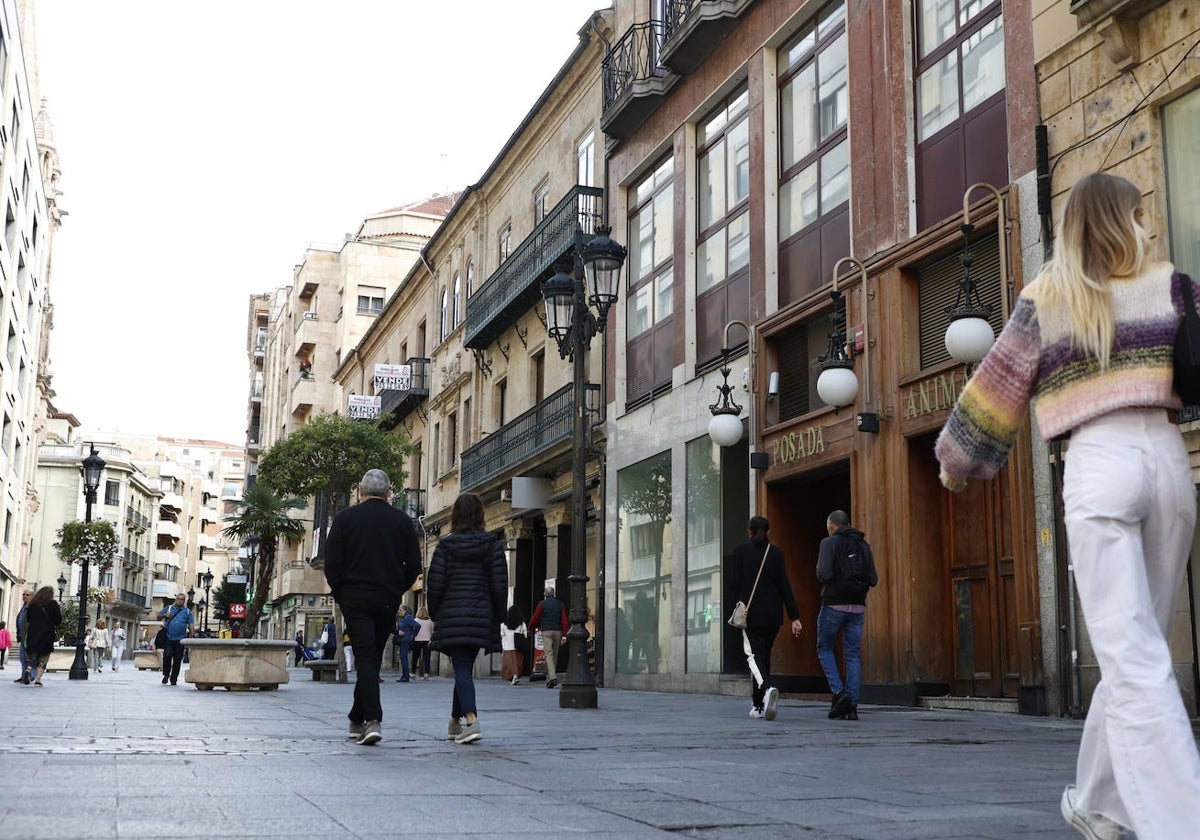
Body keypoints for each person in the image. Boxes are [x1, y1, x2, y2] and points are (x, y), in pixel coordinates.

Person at [935, 172, 1200, 840]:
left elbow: (993, 393)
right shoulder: (1170, 283)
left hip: (1099, 462)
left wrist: (955, 465)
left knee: (1130, 654)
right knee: (1138, 651)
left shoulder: (1046, 297)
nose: (1149, 224)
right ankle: (1102, 808)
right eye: (1141, 213)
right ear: (1124, 219)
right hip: (1168, 462)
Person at [324, 468, 421, 747]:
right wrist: (396, 588)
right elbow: (414, 564)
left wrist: (341, 592)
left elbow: (332, 564)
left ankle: (371, 719)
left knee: (367, 657)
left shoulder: (344, 519)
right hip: (386, 598)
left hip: (354, 598)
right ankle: (356, 718)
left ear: (360, 491)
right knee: (372, 656)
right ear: (389, 493)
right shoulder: (402, 521)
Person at [427, 493, 507, 745]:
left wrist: (435, 613)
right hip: (479, 614)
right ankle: (454, 721)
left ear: (455, 516)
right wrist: (499, 614)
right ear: (480, 515)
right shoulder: (491, 544)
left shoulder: (445, 546)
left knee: (462, 667)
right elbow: (500, 584)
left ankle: (471, 721)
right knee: (464, 667)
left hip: (452, 614)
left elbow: (435, 585)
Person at [728, 516, 802, 720]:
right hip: (773, 615)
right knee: (762, 656)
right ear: (767, 532)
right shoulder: (776, 554)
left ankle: (767, 688)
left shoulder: (740, 552)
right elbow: (784, 586)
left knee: (753, 656)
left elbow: (733, 584)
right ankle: (758, 705)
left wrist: (739, 604)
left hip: (751, 614)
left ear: (749, 531)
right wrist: (794, 616)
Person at [815, 510, 878, 721]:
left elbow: (824, 574)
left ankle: (839, 693)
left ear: (831, 526)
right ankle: (852, 706)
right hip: (858, 607)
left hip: (833, 604)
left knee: (824, 648)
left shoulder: (829, 543)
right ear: (848, 524)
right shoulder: (864, 545)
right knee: (852, 654)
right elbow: (874, 578)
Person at [529, 587, 567, 688]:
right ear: (553, 594)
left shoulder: (542, 604)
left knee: (548, 654)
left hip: (546, 631)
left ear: (545, 594)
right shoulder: (560, 604)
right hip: (558, 631)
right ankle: (549, 679)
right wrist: (564, 635)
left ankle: (553, 677)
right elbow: (564, 620)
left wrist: (530, 627)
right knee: (555, 655)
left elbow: (535, 617)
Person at [23, 586, 61, 686]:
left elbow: (28, 618)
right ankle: (38, 680)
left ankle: (28, 669)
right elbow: (58, 620)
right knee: (44, 657)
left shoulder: (33, 604)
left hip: (33, 633)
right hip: (47, 634)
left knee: (31, 655)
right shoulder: (53, 604)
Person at [156, 593, 193, 686]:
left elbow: (191, 626)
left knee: (177, 659)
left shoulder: (188, 612)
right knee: (167, 656)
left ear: (184, 601)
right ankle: (166, 675)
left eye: (181, 599)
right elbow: (158, 617)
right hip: (168, 637)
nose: (179, 601)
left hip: (181, 639)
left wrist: (190, 638)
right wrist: (165, 615)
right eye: (178, 599)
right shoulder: (169, 608)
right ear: (175, 599)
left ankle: (174, 678)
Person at [500, 605, 526, 686]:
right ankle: (515, 676)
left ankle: (512, 676)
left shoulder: (503, 625)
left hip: (507, 646)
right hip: (518, 646)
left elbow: (502, 635)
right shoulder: (522, 624)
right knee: (517, 663)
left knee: (509, 663)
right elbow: (524, 634)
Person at [394, 605, 420, 682]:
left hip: (405, 640)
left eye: (400, 610)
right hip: (402, 640)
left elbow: (418, 626)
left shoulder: (408, 617)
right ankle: (404, 675)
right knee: (402, 658)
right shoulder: (402, 618)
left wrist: (413, 635)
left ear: (405, 611)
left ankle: (406, 676)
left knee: (403, 658)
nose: (399, 611)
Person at [12, 589, 31, 682]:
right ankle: (24, 675)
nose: (24, 596)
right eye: (23, 594)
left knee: (28, 657)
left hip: (29, 637)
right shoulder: (24, 607)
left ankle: (30, 676)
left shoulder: (32, 608)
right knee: (22, 657)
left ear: (32, 596)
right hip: (22, 636)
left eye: (27, 595)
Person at [411, 606, 432, 679]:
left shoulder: (416, 620)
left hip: (417, 640)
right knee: (427, 658)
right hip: (427, 640)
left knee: (415, 657)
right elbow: (431, 631)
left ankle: (413, 673)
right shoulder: (429, 621)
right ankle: (426, 673)